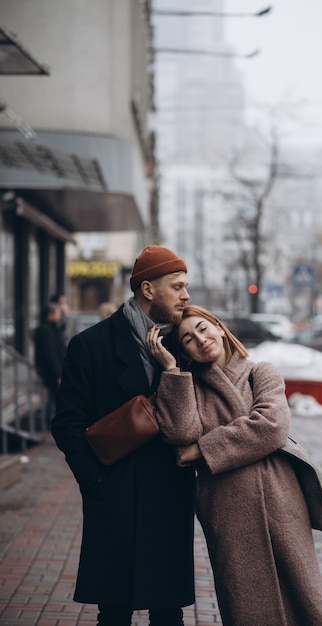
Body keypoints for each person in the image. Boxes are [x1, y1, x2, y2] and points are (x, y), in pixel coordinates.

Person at [147, 304, 322, 626]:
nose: (201, 340)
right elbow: (180, 432)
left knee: (302, 596)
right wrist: (172, 370)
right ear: (185, 351)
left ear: (219, 327)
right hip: (226, 508)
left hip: (279, 498)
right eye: (189, 339)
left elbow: (271, 427)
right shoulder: (187, 386)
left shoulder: (260, 372)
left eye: (203, 329)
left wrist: (203, 450)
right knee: (244, 604)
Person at [51, 246, 195, 626]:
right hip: (115, 497)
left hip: (169, 495)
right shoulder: (91, 345)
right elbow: (66, 422)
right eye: (177, 286)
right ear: (148, 289)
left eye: (186, 286)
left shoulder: (186, 345)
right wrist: (96, 481)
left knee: (168, 614)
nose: (186, 295)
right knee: (113, 613)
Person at [34, 301, 67, 423]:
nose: (60, 315)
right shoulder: (45, 330)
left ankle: (51, 420)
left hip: (56, 370)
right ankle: (51, 421)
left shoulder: (52, 328)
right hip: (53, 372)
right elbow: (50, 354)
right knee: (54, 398)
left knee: (55, 397)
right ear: (50, 315)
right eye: (57, 313)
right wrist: (57, 374)